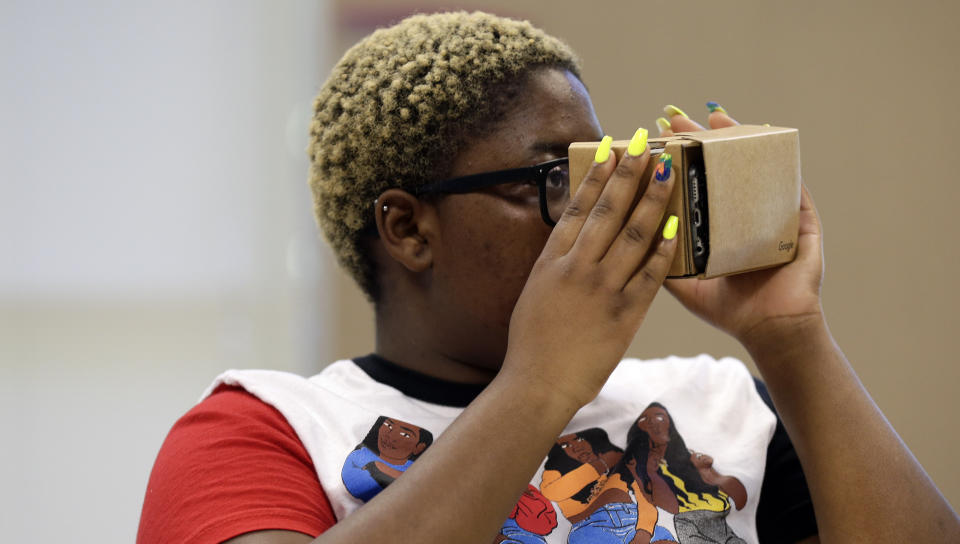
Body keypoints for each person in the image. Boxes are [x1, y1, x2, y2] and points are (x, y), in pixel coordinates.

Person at [136, 11, 960, 544]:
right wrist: (539, 386)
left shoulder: (729, 405)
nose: (592, 207)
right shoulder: (259, 429)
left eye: (594, 166)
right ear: (408, 227)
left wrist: (793, 343)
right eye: (550, 178)